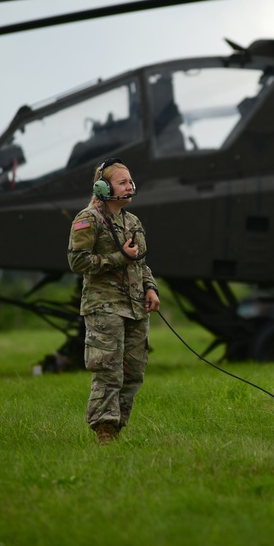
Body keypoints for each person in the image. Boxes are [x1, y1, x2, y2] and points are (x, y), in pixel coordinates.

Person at [68, 158, 160, 445]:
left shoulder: (132, 221)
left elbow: (141, 264)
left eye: (130, 181)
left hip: (134, 308)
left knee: (133, 372)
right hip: (104, 306)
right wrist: (118, 258)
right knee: (108, 370)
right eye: (122, 182)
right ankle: (103, 430)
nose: (130, 186)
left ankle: (117, 428)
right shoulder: (88, 219)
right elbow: (77, 260)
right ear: (103, 187)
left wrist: (150, 289)